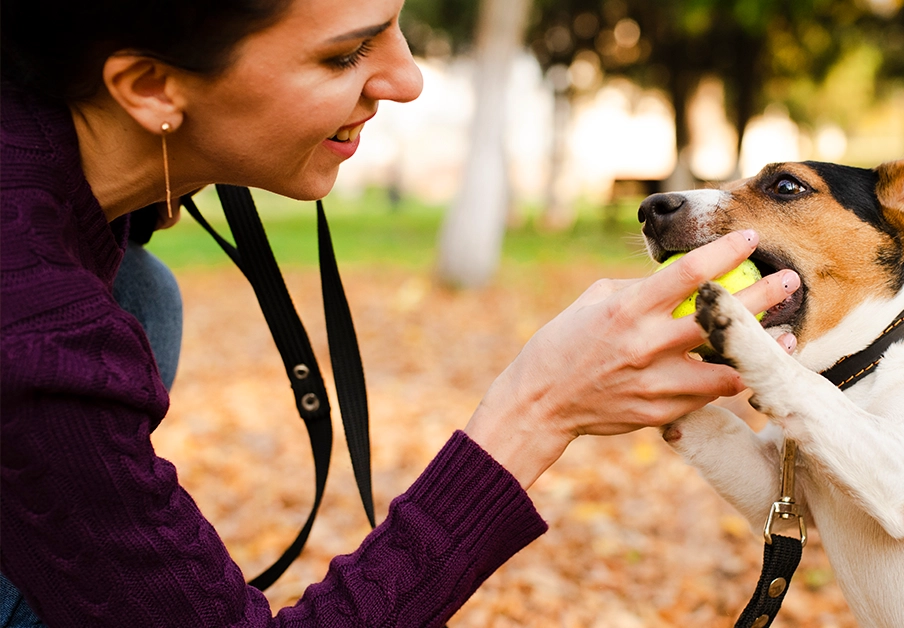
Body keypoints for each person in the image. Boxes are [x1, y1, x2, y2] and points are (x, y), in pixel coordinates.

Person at [0, 0, 802, 625]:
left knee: (142, 291)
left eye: (394, 25)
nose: (407, 78)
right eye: (344, 52)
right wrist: (538, 408)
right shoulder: (32, 316)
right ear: (148, 88)